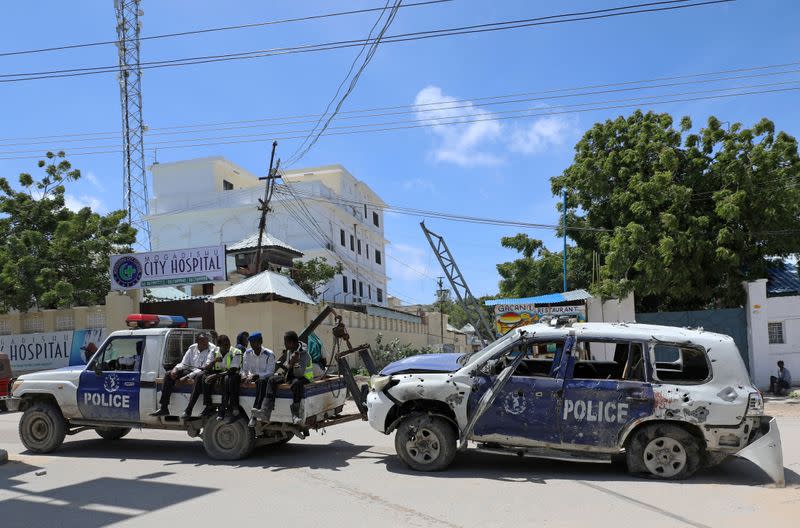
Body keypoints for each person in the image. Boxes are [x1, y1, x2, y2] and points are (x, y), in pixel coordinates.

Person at [150, 332, 215, 417]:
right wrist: (175, 369)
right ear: (198, 342)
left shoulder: (212, 349)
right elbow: (184, 364)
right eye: (203, 341)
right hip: (191, 371)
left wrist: (187, 377)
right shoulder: (192, 348)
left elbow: (204, 367)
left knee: (199, 377)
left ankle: (189, 409)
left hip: (202, 372)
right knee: (168, 374)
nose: (205, 343)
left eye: (206, 341)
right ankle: (164, 407)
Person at [261, 330, 314, 425]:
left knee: (296, 383)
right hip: (292, 375)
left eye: (285, 342)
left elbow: (299, 374)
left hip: (304, 378)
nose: (284, 345)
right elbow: (289, 367)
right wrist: (287, 367)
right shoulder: (290, 351)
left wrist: (296, 362)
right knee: (272, 379)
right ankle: (266, 411)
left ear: (292, 343)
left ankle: (295, 414)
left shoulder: (303, 354)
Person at [241, 332, 276, 427]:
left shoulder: (269, 354)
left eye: (255, 342)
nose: (252, 345)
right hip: (250, 380)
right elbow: (244, 369)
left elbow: (270, 372)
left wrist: (256, 375)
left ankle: (254, 416)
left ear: (261, 342)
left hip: (263, 381)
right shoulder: (247, 353)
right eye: (251, 343)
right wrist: (244, 376)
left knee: (261, 381)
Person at [215, 334, 244, 422]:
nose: (228, 347)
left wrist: (217, 376)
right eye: (225, 345)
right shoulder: (214, 352)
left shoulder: (236, 351)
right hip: (223, 375)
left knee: (228, 379)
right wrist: (214, 361)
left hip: (235, 375)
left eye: (229, 344)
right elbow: (208, 366)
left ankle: (225, 408)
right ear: (219, 345)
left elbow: (233, 369)